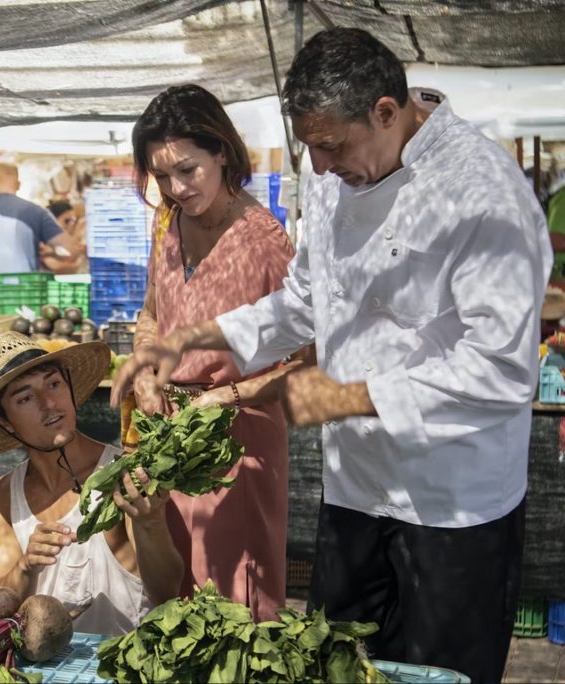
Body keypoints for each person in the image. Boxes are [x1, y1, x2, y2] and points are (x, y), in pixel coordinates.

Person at [112, 28, 551, 683]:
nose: (319, 168)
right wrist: (199, 338)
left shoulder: (484, 193)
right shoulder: (329, 173)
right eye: (309, 148)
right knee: (331, 666)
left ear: (385, 112)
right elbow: (304, 298)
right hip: (355, 486)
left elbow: (499, 367)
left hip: (451, 500)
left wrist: (349, 395)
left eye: (330, 147)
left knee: (436, 674)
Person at [124, 84, 298, 621]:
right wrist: (150, 367)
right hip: (170, 434)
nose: (175, 188)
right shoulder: (169, 225)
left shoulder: (265, 244)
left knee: (229, 604)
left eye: (187, 170)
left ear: (221, 151)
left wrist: (227, 396)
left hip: (237, 443)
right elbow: (151, 311)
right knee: (172, 585)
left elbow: (310, 362)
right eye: (161, 176)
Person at [0, 333, 183, 635]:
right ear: (6, 422)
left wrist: (151, 522)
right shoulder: (3, 495)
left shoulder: (124, 473)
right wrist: (25, 566)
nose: (49, 404)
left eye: (54, 384)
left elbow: (168, 593)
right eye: (25, 398)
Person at [0, 163, 81, 309]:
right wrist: (49, 253)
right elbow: (71, 251)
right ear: (18, 184)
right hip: (24, 297)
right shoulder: (35, 212)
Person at [41, 200, 87, 273]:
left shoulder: (81, 243)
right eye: (67, 221)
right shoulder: (44, 244)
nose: (72, 225)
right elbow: (56, 266)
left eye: (74, 221)